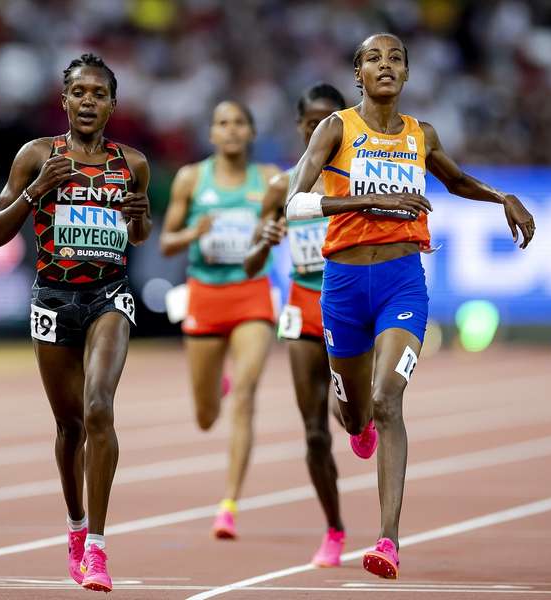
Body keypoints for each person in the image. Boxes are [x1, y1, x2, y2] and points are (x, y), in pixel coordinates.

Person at [285, 33, 535, 579]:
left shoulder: (421, 134)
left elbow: (457, 179)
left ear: (407, 74)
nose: (386, 65)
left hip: (402, 283)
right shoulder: (336, 129)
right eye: (374, 58)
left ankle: (388, 540)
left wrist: (502, 198)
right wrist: (369, 198)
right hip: (344, 287)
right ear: (358, 74)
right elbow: (296, 204)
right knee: (353, 413)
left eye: (396, 58)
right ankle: (357, 424)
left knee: (388, 399)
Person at [0, 53, 151, 593]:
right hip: (54, 300)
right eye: (78, 92)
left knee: (99, 407)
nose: (88, 101)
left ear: (112, 104)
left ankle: (99, 550)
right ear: (64, 100)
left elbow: (141, 232)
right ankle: (76, 526)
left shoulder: (133, 162)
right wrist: (38, 189)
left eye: (98, 94)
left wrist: (138, 215)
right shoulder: (37, 155)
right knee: (69, 428)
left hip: (109, 297)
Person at [160, 100, 281, 539]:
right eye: (222, 124)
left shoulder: (268, 179)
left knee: (246, 396)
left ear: (250, 132)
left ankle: (228, 503)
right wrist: (195, 232)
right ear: (211, 133)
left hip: (252, 296)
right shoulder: (192, 178)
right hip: (206, 297)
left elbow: (290, 223)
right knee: (207, 414)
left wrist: (274, 232)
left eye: (239, 124)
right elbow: (167, 243)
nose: (231, 131)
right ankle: (217, 385)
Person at [243, 83, 348, 567]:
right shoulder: (281, 187)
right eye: (311, 122)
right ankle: (334, 528)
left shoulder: (356, 182)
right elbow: (248, 264)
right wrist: (264, 241)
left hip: (351, 303)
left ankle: (360, 419)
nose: (320, 129)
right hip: (303, 305)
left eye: (330, 120)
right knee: (314, 431)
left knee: (350, 415)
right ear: (301, 125)